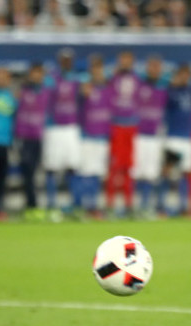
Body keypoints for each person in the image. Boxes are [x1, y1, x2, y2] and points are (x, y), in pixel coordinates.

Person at [43, 48, 82, 219]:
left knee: (72, 167)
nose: (67, 62)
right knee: (51, 167)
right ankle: (51, 204)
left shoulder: (77, 79)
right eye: (64, 59)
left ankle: (71, 205)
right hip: (54, 127)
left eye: (70, 59)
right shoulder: (51, 79)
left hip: (71, 127)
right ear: (59, 60)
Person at [133, 55, 168, 217]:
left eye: (157, 67)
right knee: (138, 172)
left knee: (152, 173)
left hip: (156, 136)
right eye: (152, 66)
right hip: (139, 135)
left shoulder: (164, 87)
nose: (155, 70)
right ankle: (138, 206)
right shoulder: (139, 85)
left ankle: (149, 206)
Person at [107, 51, 141, 216]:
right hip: (117, 125)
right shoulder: (112, 78)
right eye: (123, 60)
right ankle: (110, 204)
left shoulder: (138, 79)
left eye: (129, 60)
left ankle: (128, 204)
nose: (126, 63)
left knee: (129, 167)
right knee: (114, 167)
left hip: (131, 126)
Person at [15, 63, 51, 220]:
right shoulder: (23, 90)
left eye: (39, 73)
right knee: (27, 170)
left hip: (38, 136)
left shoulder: (44, 90)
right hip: (24, 136)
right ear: (30, 74)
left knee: (35, 171)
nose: (37, 76)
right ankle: (31, 205)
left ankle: (33, 205)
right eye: (34, 73)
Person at [78, 54, 112, 219]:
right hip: (87, 136)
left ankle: (94, 206)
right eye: (94, 68)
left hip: (102, 137)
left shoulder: (108, 88)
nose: (97, 71)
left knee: (98, 173)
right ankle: (85, 206)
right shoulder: (85, 87)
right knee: (86, 172)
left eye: (100, 68)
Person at [163, 64, 191, 215]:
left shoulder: (190, 91)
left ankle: (184, 206)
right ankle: (165, 206)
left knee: (186, 172)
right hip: (173, 137)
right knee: (170, 172)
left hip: (187, 138)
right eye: (182, 74)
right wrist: (171, 84)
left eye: (187, 75)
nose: (185, 78)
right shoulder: (170, 91)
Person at [0, 67, 17, 220]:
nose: (2, 80)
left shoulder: (10, 97)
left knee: (2, 179)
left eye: (5, 77)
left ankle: (0, 209)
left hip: (5, 142)